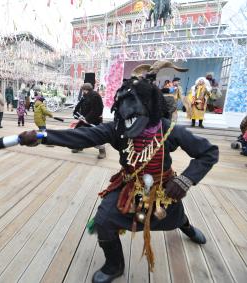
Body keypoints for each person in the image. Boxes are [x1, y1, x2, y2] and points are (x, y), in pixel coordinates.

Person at [18, 62, 218, 283]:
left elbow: (209, 153)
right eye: (122, 103)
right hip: (130, 187)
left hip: (164, 190)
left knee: (174, 216)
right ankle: (114, 265)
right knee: (104, 220)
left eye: (133, 102)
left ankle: (186, 227)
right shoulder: (118, 129)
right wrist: (42, 136)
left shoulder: (169, 130)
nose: (125, 111)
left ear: (149, 104)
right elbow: (83, 137)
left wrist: (186, 179)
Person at [72, 82, 106, 159]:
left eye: (83, 90)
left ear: (85, 90)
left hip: (94, 120)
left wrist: (88, 119)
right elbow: (81, 106)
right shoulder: (85, 96)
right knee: (78, 132)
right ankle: (79, 146)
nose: (82, 91)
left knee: (96, 135)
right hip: (85, 119)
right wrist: (77, 114)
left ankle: (102, 150)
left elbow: (97, 110)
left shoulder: (95, 96)